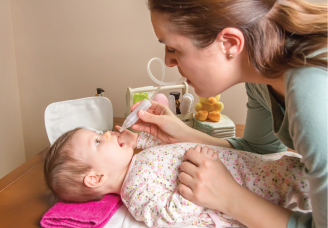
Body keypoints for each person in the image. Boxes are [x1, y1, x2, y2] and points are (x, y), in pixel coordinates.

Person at [127, 0, 327, 227]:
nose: (168, 61)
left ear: (230, 43)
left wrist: (230, 198)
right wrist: (184, 135)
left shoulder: (314, 94)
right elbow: (260, 150)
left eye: (173, 49)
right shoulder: (261, 81)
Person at [44, 127, 310, 228]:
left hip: (257, 166)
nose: (109, 135)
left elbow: (161, 147)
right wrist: (197, 188)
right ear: (96, 178)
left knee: (294, 169)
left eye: (101, 133)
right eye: (99, 142)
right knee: (298, 187)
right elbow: (169, 216)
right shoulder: (135, 192)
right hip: (251, 187)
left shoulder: (137, 159)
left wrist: (140, 136)